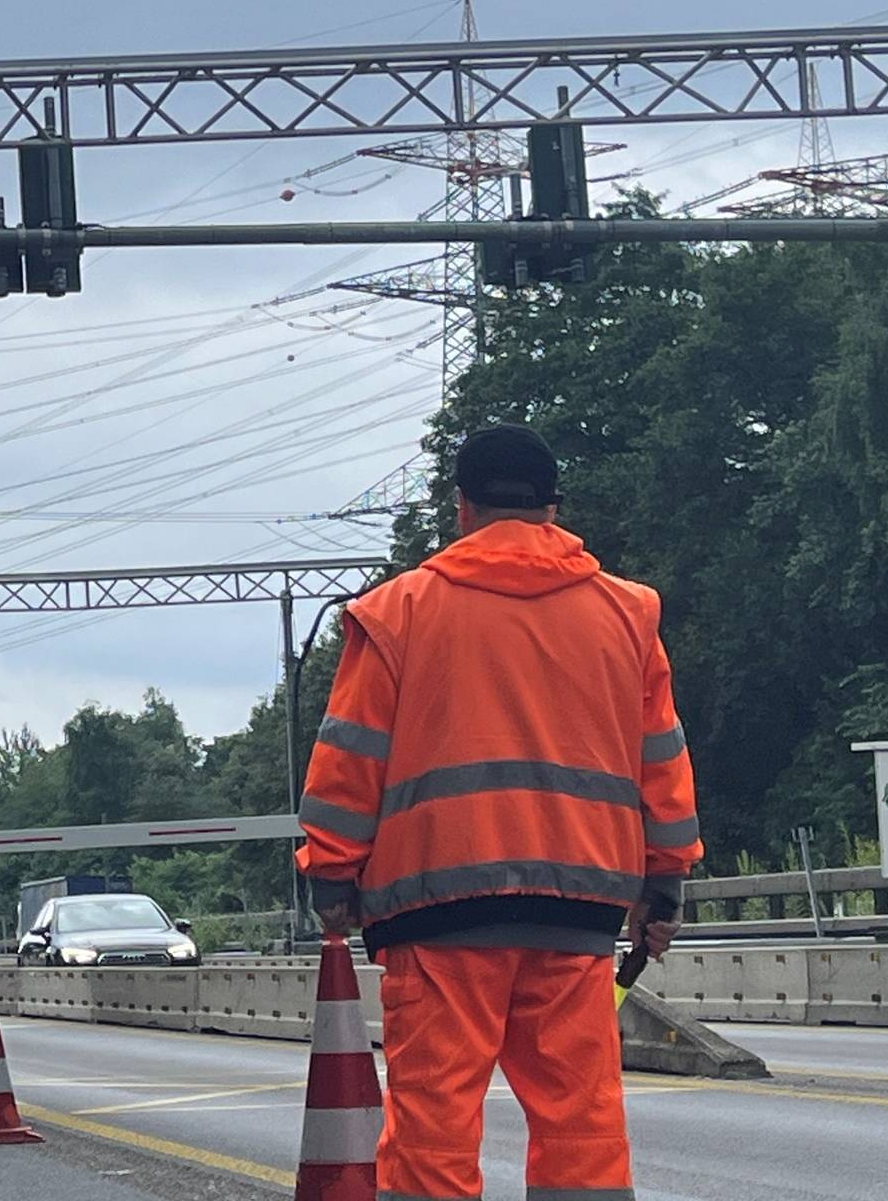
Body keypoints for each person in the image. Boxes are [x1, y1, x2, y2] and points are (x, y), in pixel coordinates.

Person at [297, 424, 702, 1201]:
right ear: (554, 508)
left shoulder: (396, 614)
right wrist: (665, 882)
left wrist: (332, 877)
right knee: (581, 1127)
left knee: (434, 1131)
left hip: (437, 917)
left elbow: (349, 766)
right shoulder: (627, 615)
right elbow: (663, 766)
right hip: (578, 913)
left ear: (461, 508)